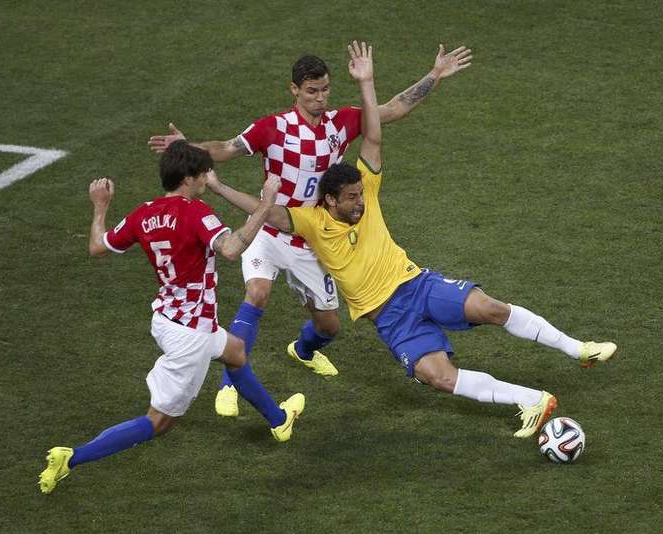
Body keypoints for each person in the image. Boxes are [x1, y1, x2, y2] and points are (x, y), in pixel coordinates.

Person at [205, 42, 618, 438]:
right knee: (436, 376)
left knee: (489, 306)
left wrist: (376, 80)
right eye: (350, 200)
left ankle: (577, 348)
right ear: (330, 199)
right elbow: (269, 213)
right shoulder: (309, 221)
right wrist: (219, 186)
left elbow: (377, 133)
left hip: (416, 284)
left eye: (325, 88)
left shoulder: (364, 185)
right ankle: (534, 400)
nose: (360, 204)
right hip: (389, 317)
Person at [148, 43, 474, 418]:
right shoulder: (272, 128)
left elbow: (393, 109)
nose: (320, 98)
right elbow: (225, 148)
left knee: (329, 326)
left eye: (325, 90)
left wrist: (434, 75)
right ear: (294, 90)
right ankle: (229, 384)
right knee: (257, 292)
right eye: (311, 91)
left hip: (314, 238)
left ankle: (303, 350)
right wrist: (187, 146)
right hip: (269, 230)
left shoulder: (343, 122)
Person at [38, 141, 305, 495]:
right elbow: (230, 248)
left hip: (168, 317)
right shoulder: (196, 213)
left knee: (236, 352)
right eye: (203, 175)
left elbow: (97, 246)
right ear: (188, 178)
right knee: (159, 422)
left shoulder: (142, 213)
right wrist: (267, 203)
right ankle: (71, 457)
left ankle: (279, 420)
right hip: (190, 333)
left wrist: (100, 207)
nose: (206, 180)